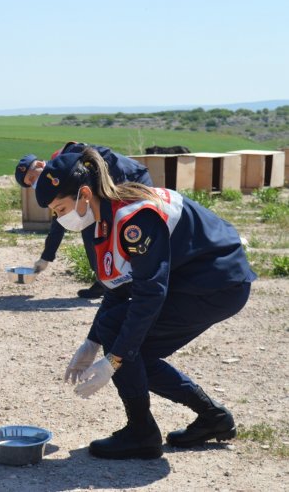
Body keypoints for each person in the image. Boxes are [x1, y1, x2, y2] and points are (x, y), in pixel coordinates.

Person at [32, 146, 256, 459]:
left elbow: (150, 293)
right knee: (131, 351)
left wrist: (113, 360)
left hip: (217, 282)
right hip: (195, 281)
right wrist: (91, 344)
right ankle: (211, 418)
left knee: (126, 347)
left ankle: (141, 433)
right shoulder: (102, 217)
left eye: (60, 208)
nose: (60, 218)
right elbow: (118, 289)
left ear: (84, 194)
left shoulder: (133, 216)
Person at [15, 142, 152, 298]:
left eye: (32, 178)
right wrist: (46, 257)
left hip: (130, 179)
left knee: (128, 232)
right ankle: (105, 279)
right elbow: (58, 223)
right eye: (30, 184)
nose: (35, 184)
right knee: (89, 227)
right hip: (105, 191)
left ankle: (138, 281)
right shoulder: (55, 182)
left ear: (40, 164)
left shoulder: (65, 166)